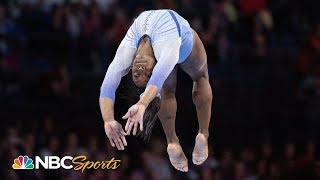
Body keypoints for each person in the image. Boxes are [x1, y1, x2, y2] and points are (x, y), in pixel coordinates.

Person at [99, 9, 212, 172]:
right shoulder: (165, 54)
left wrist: (110, 118)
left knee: (171, 88)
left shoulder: (127, 51)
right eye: (145, 73)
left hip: (172, 40)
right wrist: (111, 119)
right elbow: (156, 80)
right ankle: (186, 138)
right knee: (200, 77)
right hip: (182, 42)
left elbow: (108, 86)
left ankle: (195, 136)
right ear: (155, 66)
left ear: (130, 67)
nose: (139, 70)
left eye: (136, 74)